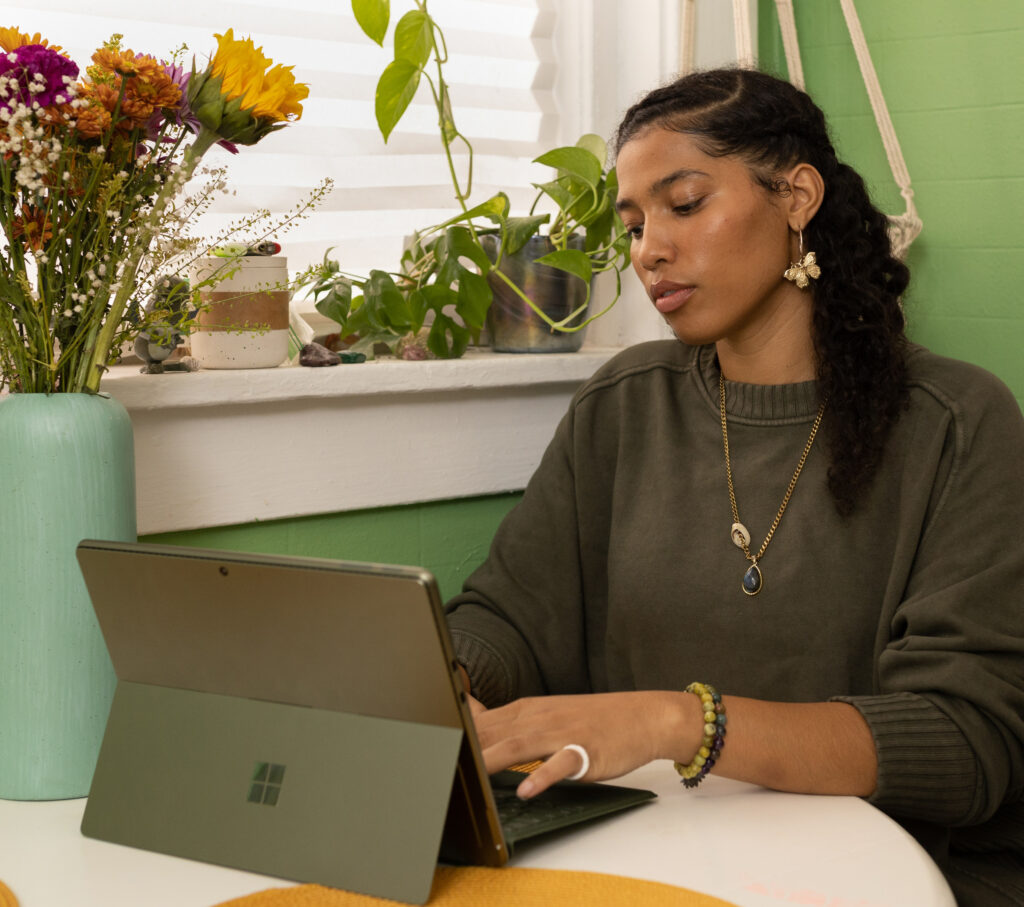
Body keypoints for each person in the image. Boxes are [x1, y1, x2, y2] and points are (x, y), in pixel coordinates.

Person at [444, 68, 1024, 905]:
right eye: (635, 224)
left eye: (683, 205)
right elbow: (510, 617)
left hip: (905, 869)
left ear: (796, 196)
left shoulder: (958, 422)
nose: (649, 249)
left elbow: (964, 739)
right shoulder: (623, 403)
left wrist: (678, 721)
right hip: (658, 853)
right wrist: (443, 678)